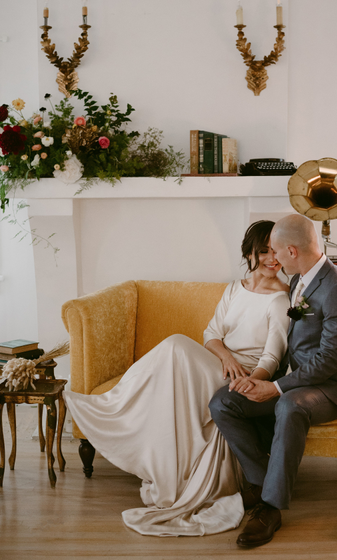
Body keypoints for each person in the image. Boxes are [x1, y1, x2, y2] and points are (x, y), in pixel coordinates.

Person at [63, 220, 290, 537]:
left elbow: (272, 356)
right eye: (264, 251)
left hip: (243, 375)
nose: (271, 259)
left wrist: (252, 381)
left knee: (175, 346)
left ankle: (115, 402)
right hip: (218, 363)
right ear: (250, 251)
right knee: (176, 351)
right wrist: (225, 356)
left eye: (276, 251)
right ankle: (138, 423)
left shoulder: (281, 300)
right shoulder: (235, 288)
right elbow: (211, 334)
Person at [209, 214, 337, 548]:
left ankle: (270, 508)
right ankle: (262, 482)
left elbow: (328, 361)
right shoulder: (300, 279)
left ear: (292, 251)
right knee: (223, 401)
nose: (274, 261)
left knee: (289, 404)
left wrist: (276, 386)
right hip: (292, 380)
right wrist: (263, 379)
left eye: (277, 253)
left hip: (327, 388)